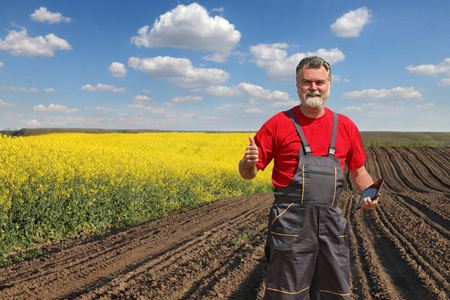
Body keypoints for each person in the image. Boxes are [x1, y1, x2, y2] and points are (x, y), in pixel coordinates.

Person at [239, 56, 379, 300]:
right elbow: (248, 173)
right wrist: (248, 162)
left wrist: (370, 194)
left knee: (334, 293)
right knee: (286, 294)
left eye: (319, 82)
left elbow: (359, 172)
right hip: (290, 225)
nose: (313, 87)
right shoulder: (278, 124)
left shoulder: (345, 126)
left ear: (329, 86)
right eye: (307, 82)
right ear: (297, 85)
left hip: (332, 226)